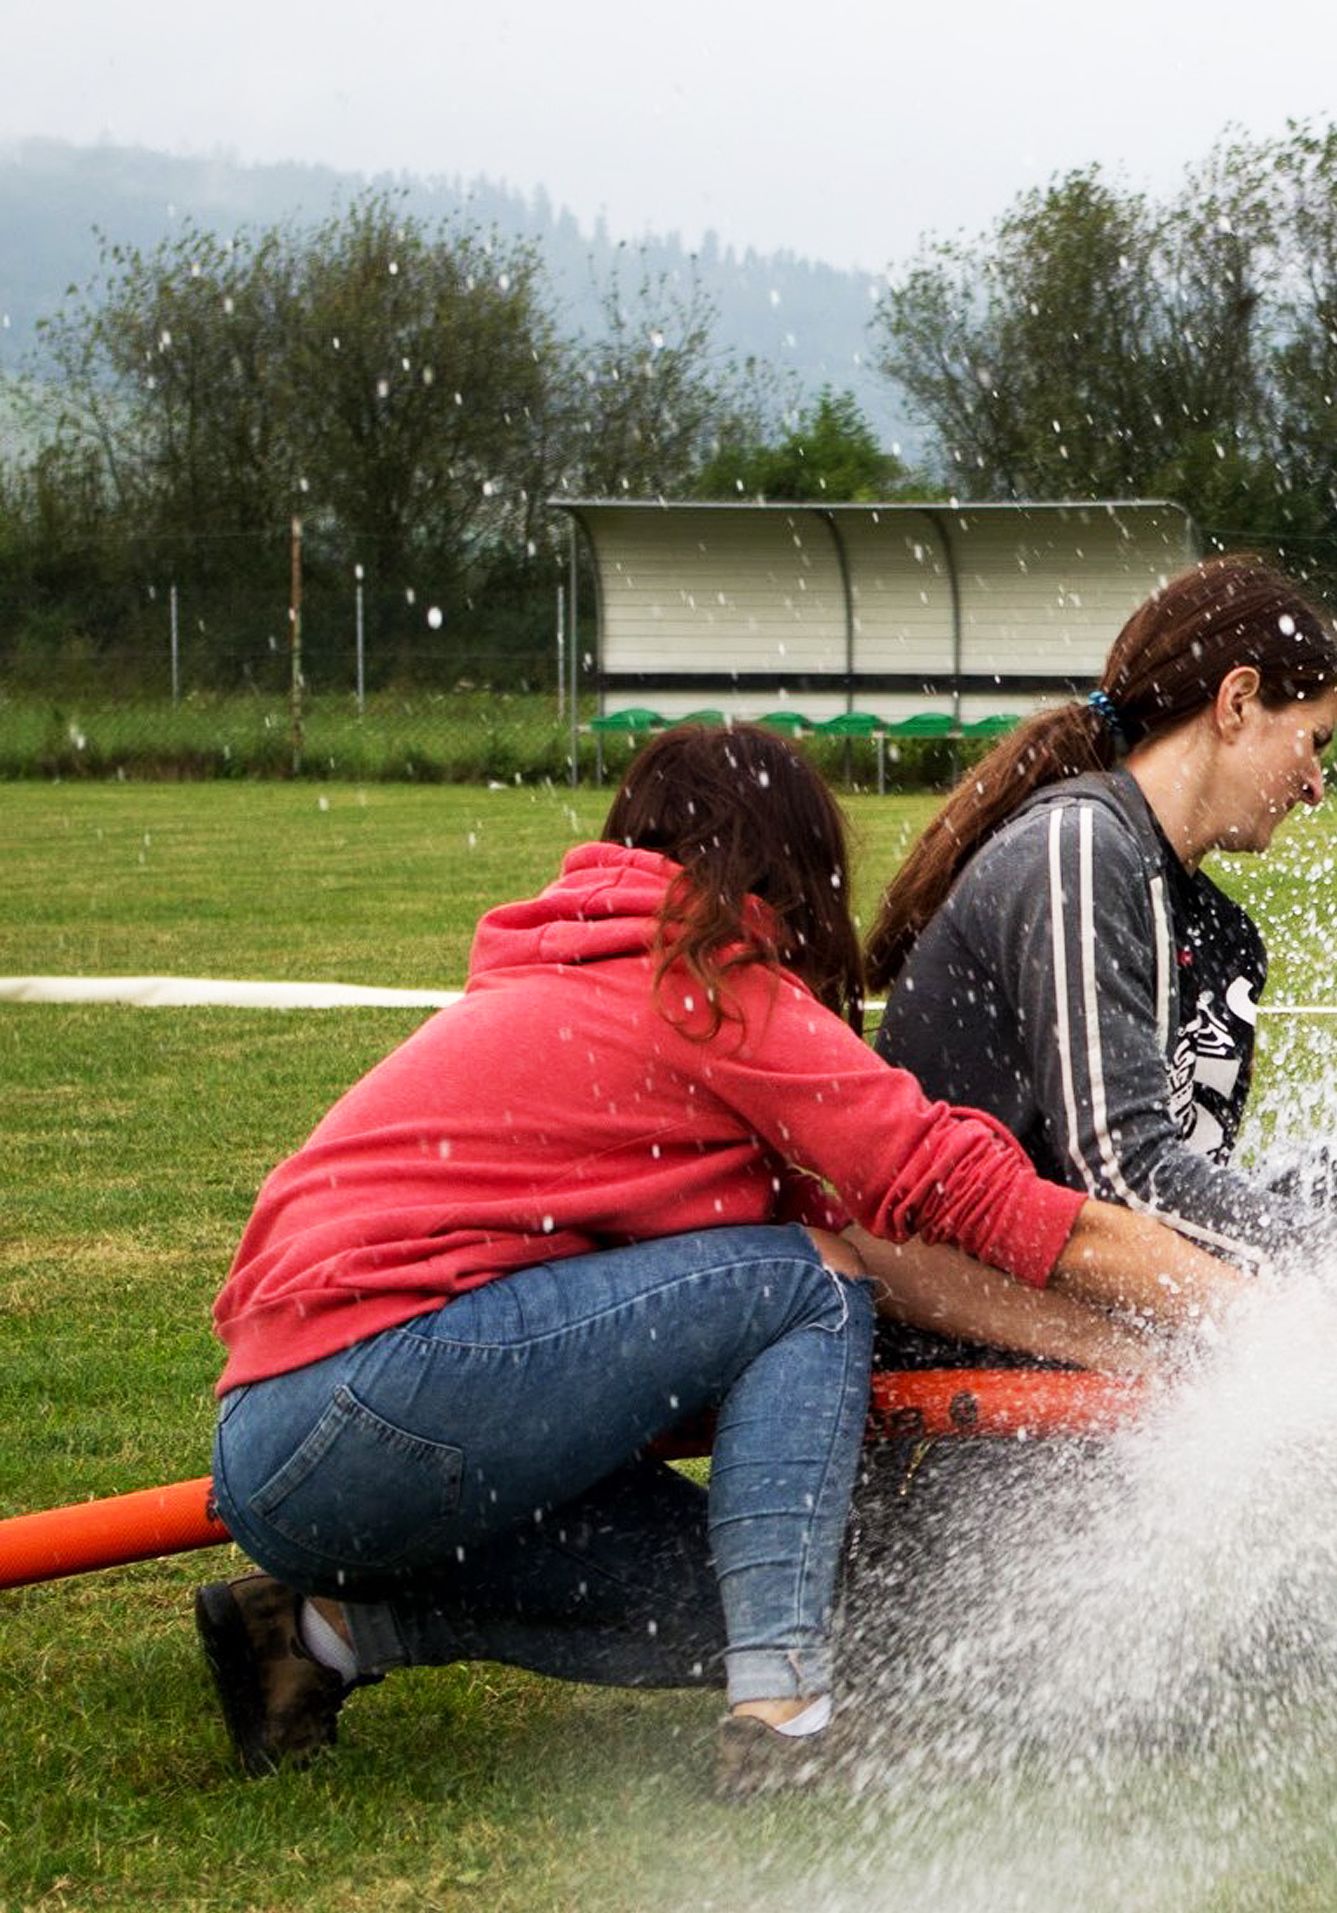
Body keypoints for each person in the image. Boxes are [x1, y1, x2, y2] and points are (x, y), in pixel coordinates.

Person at [200, 724, 1242, 1795]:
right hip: (369, 1392)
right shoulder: (710, 985)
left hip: (287, 1446)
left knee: (766, 1587)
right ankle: (784, 1721)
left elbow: (896, 1254)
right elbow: (964, 1197)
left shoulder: (595, 978)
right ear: (790, 867)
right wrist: (1252, 1320)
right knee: (806, 1282)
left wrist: (1116, 1351)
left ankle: (314, 1629)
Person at [860, 554, 1337, 1699]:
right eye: (1312, 742)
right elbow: (1122, 1163)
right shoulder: (1079, 844)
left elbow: (1187, 1189)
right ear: (1236, 701)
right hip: (982, 1309)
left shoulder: (1216, 932)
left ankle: (1301, 1608)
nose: (1316, 785)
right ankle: (1289, 1618)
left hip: (1107, 1279)